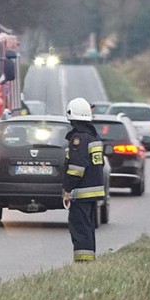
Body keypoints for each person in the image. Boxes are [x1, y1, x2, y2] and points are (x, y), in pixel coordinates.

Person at [62, 97, 106, 262]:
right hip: (93, 191)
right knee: (87, 227)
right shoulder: (93, 136)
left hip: (81, 192)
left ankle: (83, 262)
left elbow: (76, 168)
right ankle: (89, 259)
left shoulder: (79, 139)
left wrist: (67, 188)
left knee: (79, 227)